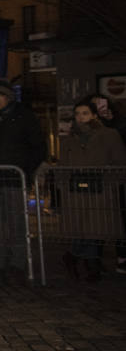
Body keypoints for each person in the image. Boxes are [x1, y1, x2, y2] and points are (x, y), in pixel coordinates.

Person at [0, 79, 45, 280]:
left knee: (17, 223)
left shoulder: (23, 116)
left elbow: (38, 146)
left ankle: (18, 262)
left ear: (8, 97)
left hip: (14, 178)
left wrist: (26, 170)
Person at [59, 99, 126, 280]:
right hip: (76, 190)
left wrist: (110, 181)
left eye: (85, 113)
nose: (81, 118)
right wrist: (63, 185)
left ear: (94, 115)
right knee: (83, 228)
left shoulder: (109, 135)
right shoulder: (68, 139)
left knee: (94, 228)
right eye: (77, 114)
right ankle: (90, 263)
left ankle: (78, 259)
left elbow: (119, 162)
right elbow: (63, 165)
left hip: (100, 189)